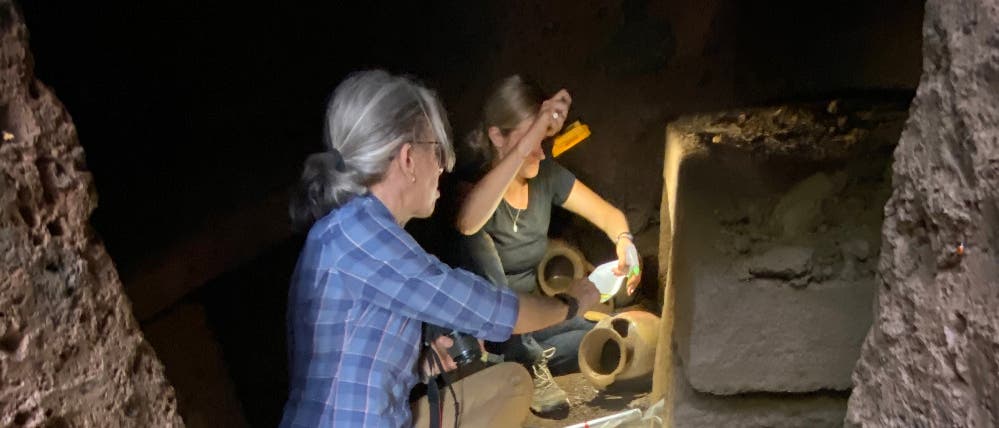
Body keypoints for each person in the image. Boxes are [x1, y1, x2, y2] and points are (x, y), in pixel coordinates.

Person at [280, 70, 599, 428]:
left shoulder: (351, 229)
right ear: (407, 158)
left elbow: (353, 364)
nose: (445, 166)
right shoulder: (361, 234)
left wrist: (424, 364)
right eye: (437, 150)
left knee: (508, 384)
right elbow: (486, 308)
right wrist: (569, 303)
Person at [456, 75, 641, 415]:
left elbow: (609, 215)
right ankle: (521, 361)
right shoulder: (469, 189)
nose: (540, 152)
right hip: (494, 333)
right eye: (530, 140)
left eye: (542, 140)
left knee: (610, 337)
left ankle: (534, 359)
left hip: (539, 317)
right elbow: (467, 223)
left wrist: (625, 244)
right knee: (472, 243)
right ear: (497, 136)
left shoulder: (545, 176)